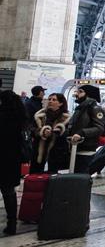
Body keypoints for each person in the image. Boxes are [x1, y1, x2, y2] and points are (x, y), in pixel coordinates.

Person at [0, 90, 27, 236]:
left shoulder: (2, 117)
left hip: (3, 158)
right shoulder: (18, 118)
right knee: (8, 192)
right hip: (11, 160)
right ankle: (12, 224)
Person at [66, 85, 105, 174]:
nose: (76, 94)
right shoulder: (80, 108)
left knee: (82, 176)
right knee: (76, 175)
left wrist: (82, 133)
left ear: (88, 94)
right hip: (76, 147)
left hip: (86, 148)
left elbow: (99, 128)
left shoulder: (94, 108)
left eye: (80, 92)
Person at [32, 93, 71, 174]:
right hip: (39, 149)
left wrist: (59, 131)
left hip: (57, 150)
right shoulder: (40, 115)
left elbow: (69, 132)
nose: (50, 101)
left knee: (53, 176)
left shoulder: (67, 118)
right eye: (49, 99)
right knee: (36, 174)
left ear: (60, 103)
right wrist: (42, 132)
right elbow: (32, 129)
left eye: (54, 100)